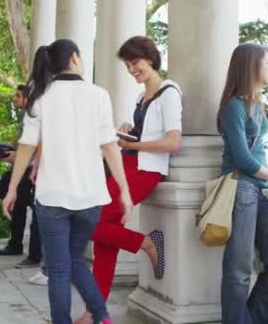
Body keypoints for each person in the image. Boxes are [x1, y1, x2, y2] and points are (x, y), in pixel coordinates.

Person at [2, 39, 132, 324]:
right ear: (75, 57)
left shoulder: (41, 99)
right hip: (90, 199)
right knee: (74, 260)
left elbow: (26, 146)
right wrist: (123, 189)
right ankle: (101, 316)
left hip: (52, 199)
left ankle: (98, 314)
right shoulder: (99, 95)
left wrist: (12, 189)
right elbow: (109, 145)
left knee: (60, 270)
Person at [76, 35, 182, 324]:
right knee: (104, 239)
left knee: (91, 220)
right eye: (127, 65)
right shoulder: (141, 97)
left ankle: (145, 243)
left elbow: (173, 143)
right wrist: (128, 131)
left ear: (150, 58)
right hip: (128, 165)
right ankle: (94, 313)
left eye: (135, 63)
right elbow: (144, 134)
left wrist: (132, 146)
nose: (131, 70)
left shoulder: (169, 92)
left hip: (146, 171)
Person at [217, 43, 268, 324]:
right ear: (252, 66)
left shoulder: (258, 105)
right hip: (242, 188)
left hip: (263, 191)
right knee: (239, 268)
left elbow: (258, 154)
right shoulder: (233, 106)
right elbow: (244, 160)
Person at [0, 85, 43, 271]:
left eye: (18, 96)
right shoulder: (26, 117)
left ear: (26, 98)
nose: (14, 99)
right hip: (25, 169)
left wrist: (26, 161)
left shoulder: (34, 115)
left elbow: (37, 145)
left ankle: (33, 253)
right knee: (3, 192)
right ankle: (16, 243)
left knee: (32, 210)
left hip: (31, 171)